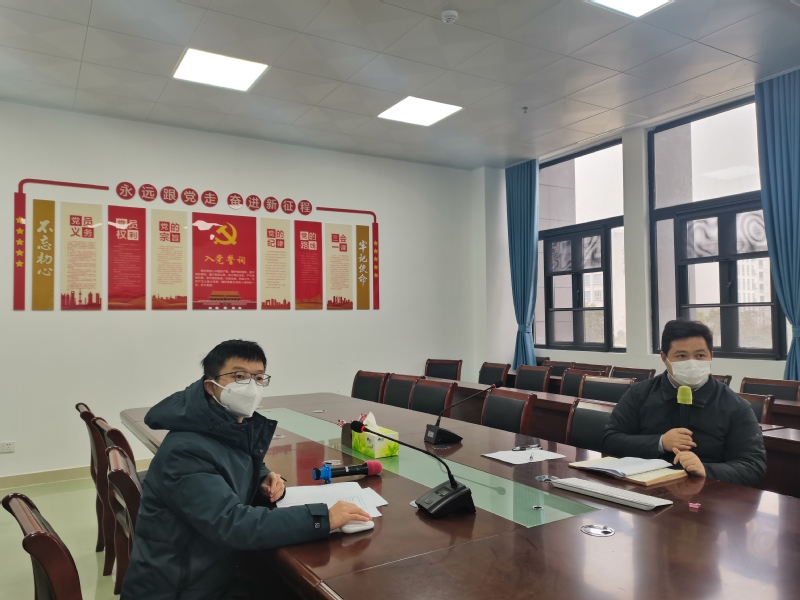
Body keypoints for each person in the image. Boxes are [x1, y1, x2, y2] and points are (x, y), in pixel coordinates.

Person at [122, 340, 371, 600]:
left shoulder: (222, 423)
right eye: (239, 376)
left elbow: (231, 458)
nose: (251, 387)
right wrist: (322, 519)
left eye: (259, 378)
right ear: (211, 386)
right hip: (180, 590)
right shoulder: (185, 451)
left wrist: (261, 477)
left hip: (208, 571)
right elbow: (232, 524)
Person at [602, 319, 766, 487]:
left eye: (700, 356)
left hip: (707, 493)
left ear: (711, 356)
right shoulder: (639, 394)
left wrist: (706, 470)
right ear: (664, 358)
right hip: (644, 488)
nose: (692, 363)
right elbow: (610, 441)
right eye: (681, 356)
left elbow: (753, 467)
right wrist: (660, 442)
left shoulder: (735, 405)